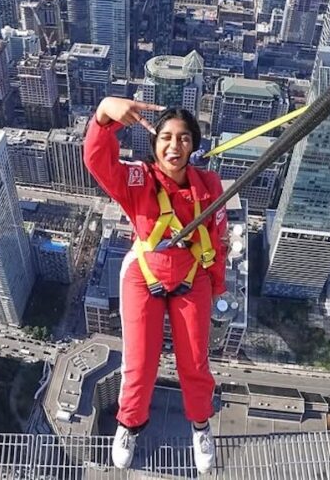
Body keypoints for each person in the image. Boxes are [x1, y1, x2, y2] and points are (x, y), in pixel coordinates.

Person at [83, 97, 227, 474]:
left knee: (195, 362)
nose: (173, 146)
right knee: (140, 363)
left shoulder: (209, 186)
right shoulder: (139, 179)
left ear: (194, 145)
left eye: (182, 138)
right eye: (165, 137)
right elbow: (99, 162)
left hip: (191, 274)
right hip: (144, 273)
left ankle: (200, 425)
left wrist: (216, 286)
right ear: (155, 144)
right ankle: (129, 424)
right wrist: (103, 116)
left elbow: (218, 241)